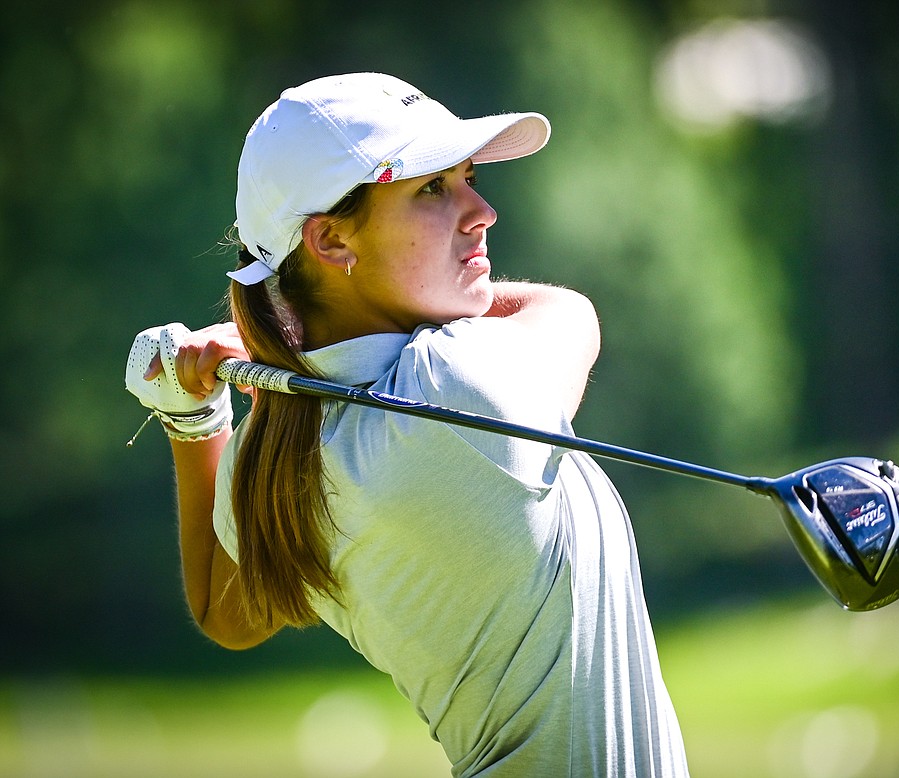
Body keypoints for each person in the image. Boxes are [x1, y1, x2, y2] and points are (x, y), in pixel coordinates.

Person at [124, 72, 689, 776]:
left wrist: (196, 415)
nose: (481, 210)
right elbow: (568, 311)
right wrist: (283, 351)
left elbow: (224, 611)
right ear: (330, 240)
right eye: (432, 189)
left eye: (469, 178)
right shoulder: (455, 385)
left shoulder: (278, 448)